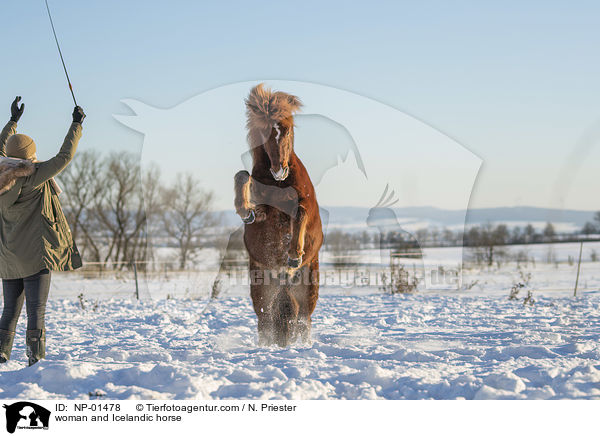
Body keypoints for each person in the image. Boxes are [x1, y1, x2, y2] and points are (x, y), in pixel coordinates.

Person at [0, 96, 85, 366]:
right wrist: (76, 124)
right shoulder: (35, 175)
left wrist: (12, 121)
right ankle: (35, 356)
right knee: (36, 311)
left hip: (8, 258)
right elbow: (64, 157)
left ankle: (1, 351)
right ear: (31, 156)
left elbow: (1, 148)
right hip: (35, 258)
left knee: (10, 310)